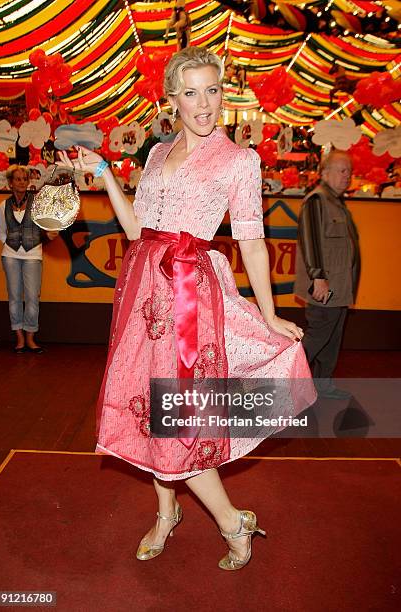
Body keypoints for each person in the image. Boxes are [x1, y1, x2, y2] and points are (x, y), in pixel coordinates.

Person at [60, 47, 315, 571]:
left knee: (176, 416)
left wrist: (268, 314)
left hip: (190, 298)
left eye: (213, 90)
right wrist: (105, 171)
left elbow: (252, 242)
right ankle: (165, 512)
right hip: (144, 295)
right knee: (151, 410)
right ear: (172, 99)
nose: (205, 104)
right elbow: (138, 232)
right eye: (192, 92)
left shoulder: (239, 159)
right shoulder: (155, 154)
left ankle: (232, 522)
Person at [294, 150, 360, 400]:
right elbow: (310, 241)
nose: (347, 177)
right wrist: (318, 277)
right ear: (325, 172)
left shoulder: (334, 202)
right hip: (326, 287)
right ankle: (282, 384)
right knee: (317, 337)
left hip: (340, 289)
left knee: (331, 340)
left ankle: (322, 385)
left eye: (350, 172)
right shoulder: (317, 200)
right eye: (342, 171)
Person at [0, 165, 58, 353]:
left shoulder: (37, 202)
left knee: (32, 297)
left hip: (33, 254)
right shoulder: (3, 205)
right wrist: (12, 244)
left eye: (25, 179)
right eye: (18, 179)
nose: (22, 182)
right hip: (10, 255)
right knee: (14, 297)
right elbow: (1, 233)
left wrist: (48, 235)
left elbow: (47, 226)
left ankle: (31, 336)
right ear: (10, 183)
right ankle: (19, 338)